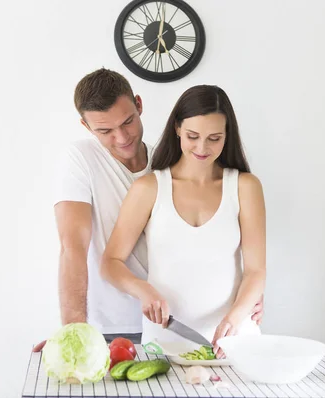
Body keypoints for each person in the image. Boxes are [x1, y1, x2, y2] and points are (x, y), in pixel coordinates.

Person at [33, 69, 263, 351]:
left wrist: (244, 303)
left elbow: (240, 263)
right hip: (114, 324)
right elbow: (73, 247)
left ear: (139, 106)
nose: (121, 137)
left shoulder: (166, 163)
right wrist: (73, 333)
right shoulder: (87, 161)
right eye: (105, 131)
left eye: (128, 122)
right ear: (86, 126)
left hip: (195, 330)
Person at [101, 85, 266, 358]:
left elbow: (256, 271)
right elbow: (110, 262)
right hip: (165, 341)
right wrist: (142, 290)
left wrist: (234, 319)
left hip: (235, 341)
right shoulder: (149, 188)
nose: (202, 148)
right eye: (193, 136)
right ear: (177, 128)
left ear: (228, 136)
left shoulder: (245, 187)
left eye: (214, 138)